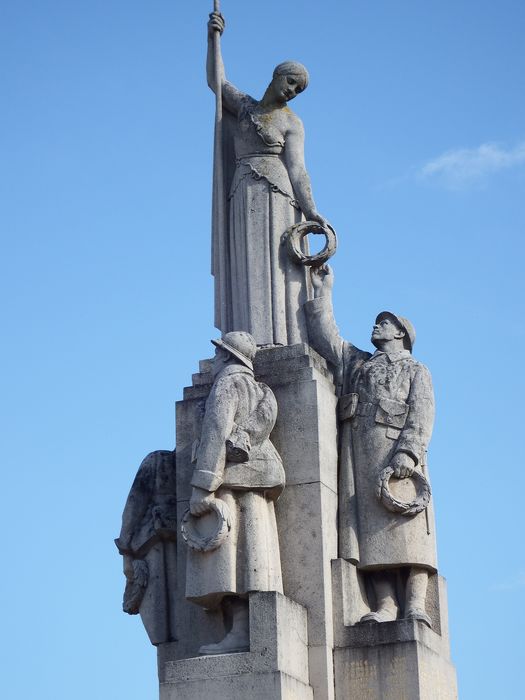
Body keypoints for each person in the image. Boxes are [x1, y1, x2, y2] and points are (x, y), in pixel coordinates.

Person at [304, 266, 437, 626]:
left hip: (398, 455)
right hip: (360, 457)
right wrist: (323, 290)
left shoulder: (415, 369)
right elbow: (326, 336)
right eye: (378, 322)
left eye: (385, 322)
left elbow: (422, 413)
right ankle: (387, 604)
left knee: (409, 535)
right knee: (369, 536)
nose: (377, 325)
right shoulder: (359, 364)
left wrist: (408, 452)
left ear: (401, 334)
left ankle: (415, 605)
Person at [208, 11, 329, 347]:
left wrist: (312, 210)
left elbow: (298, 169)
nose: (292, 91)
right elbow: (217, 83)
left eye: (298, 89)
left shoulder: (292, 123)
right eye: (291, 82)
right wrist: (213, 38)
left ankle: (279, 338)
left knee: (276, 267)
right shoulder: (245, 107)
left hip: (278, 194)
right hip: (243, 189)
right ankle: (246, 336)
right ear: (277, 76)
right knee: (246, 264)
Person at [186, 331, 285, 654]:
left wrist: (202, 487)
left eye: (218, 355)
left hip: (227, 483)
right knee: (252, 561)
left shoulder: (228, 383)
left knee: (232, 566)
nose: (214, 361)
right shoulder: (260, 391)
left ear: (229, 358)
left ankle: (239, 632)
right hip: (256, 484)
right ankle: (245, 632)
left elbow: (216, 433)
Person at [115, 450, 178, 644]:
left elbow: (134, 505)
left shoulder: (159, 460)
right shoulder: (161, 460)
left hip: (156, 546)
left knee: (162, 629)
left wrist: (126, 552)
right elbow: (135, 504)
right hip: (158, 543)